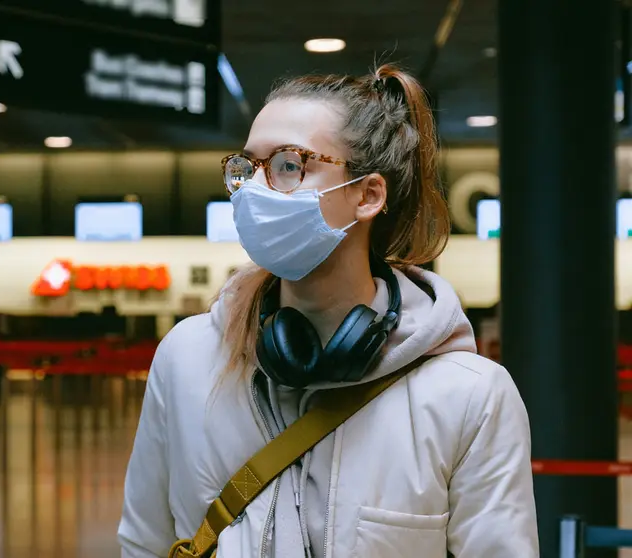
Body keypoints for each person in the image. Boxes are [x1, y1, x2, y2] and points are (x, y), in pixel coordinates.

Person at [117, 64, 538, 557]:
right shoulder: (187, 360)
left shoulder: (469, 396)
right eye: (247, 167)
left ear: (367, 195)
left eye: (289, 166)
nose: (255, 190)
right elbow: (145, 542)